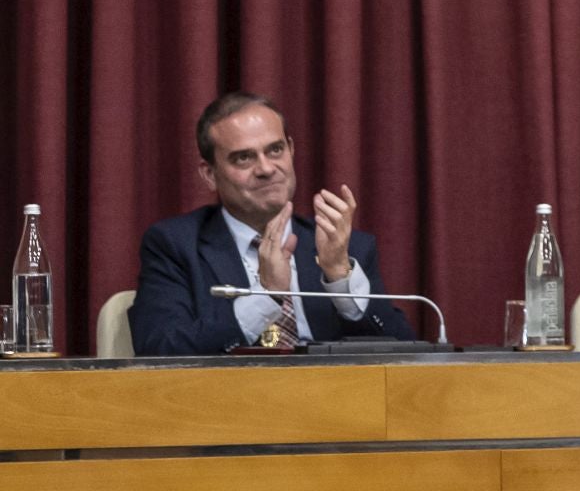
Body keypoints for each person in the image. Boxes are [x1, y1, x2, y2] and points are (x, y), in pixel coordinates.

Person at [129, 92, 413, 355]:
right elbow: (158, 350)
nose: (265, 169)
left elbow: (406, 355)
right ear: (210, 174)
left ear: (291, 150)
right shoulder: (175, 246)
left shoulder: (344, 247)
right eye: (243, 158)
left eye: (275, 150)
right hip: (230, 404)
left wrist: (339, 275)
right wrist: (266, 297)